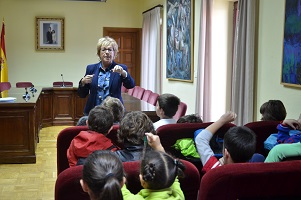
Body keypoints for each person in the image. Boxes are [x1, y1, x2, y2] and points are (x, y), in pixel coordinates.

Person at [78, 36, 135, 116]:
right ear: (99, 53)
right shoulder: (91, 68)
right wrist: (83, 82)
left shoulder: (121, 68)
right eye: (104, 49)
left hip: (114, 113)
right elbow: (82, 94)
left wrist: (124, 73)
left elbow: (130, 85)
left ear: (114, 53)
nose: (107, 52)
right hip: (94, 112)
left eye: (110, 49)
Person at [122, 132, 186, 199]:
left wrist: (122, 182)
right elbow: (169, 170)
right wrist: (158, 147)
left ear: (143, 182)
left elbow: (123, 193)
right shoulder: (178, 196)